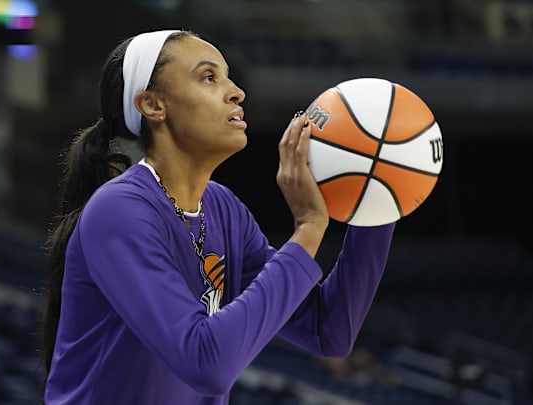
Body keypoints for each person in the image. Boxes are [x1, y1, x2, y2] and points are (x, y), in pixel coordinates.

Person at [40, 29, 395, 404]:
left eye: (228, 76)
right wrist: (308, 228)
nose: (236, 91)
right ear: (153, 105)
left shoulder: (222, 209)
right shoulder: (119, 210)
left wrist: (378, 200)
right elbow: (205, 363)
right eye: (209, 77)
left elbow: (329, 331)